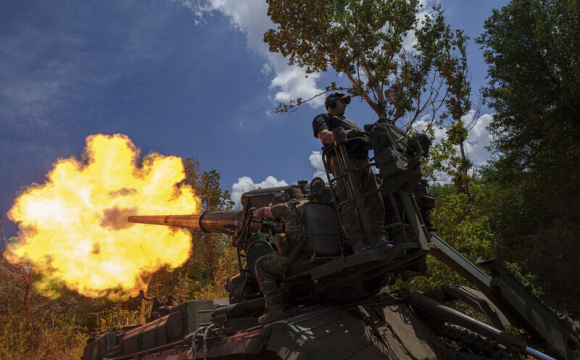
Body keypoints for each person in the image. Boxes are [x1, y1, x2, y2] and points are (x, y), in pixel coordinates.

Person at [312, 91, 387, 253]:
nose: (345, 105)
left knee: (375, 199)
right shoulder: (323, 118)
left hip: (363, 161)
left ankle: (379, 236)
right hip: (343, 161)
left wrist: (367, 139)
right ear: (331, 103)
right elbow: (325, 137)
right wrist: (347, 134)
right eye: (341, 102)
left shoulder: (350, 122)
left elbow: (363, 137)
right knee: (349, 202)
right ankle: (357, 242)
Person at [252, 185, 310, 325]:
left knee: (261, 264)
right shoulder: (312, 205)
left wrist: (253, 213)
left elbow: (266, 212)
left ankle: (274, 310)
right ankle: (285, 301)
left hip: (298, 256)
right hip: (314, 253)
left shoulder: (289, 207)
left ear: (288, 198)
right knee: (286, 273)